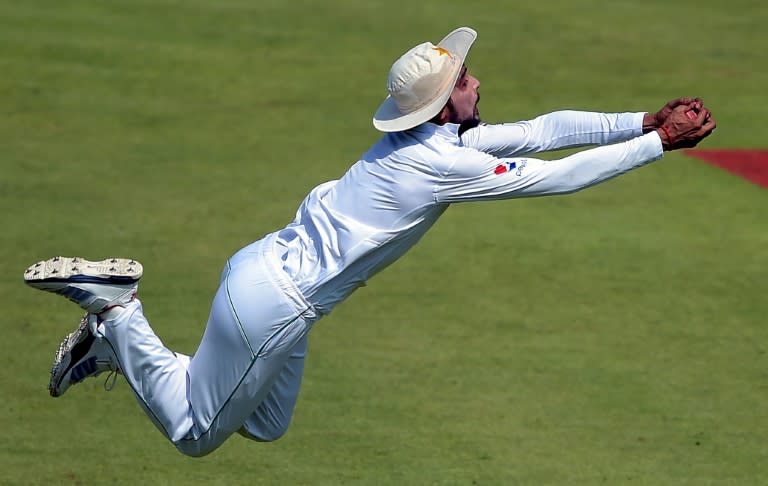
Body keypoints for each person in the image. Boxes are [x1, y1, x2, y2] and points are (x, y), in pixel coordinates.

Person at [24, 26, 716, 457]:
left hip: (263, 272)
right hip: (276, 304)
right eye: (464, 79)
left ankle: (113, 342)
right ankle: (118, 315)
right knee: (197, 434)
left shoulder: (438, 137)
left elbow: (540, 131)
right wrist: (658, 144)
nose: (476, 80)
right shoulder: (441, 163)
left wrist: (639, 119)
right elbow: (558, 177)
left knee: (263, 425)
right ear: (445, 101)